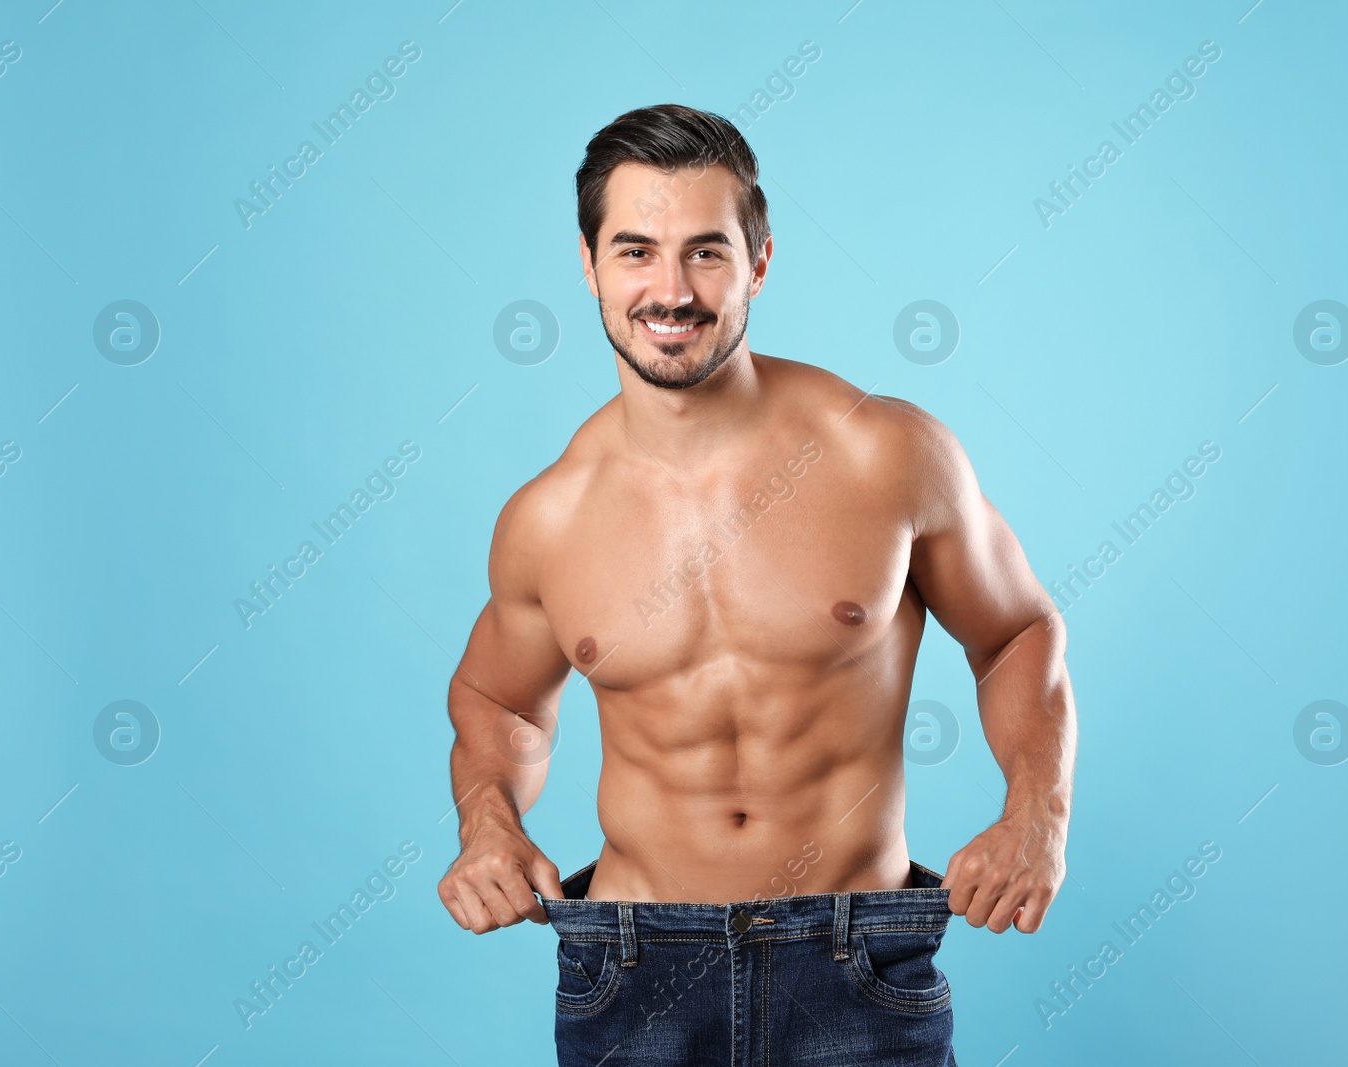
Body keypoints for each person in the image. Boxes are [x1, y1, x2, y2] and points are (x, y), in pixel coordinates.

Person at [437, 103, 1077, 1066]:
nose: (671, 289)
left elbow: (1018, 632)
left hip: (854, 961)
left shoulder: (887, 454)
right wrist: (487, 820)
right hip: (633, 968)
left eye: (706, 252)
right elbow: (496, 698)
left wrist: (1038, 814)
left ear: (760, 261)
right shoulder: (550, 518)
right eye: (636, 251)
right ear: (589, 266)